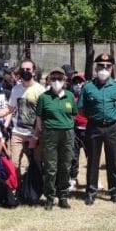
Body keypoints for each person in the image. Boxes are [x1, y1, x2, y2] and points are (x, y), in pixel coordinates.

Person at [80, 52, 116, 205]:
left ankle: (114, 192)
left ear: (112, 69)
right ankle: (91, 192)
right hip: (94, 127)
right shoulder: (88, 87)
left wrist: (113, 116)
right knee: (93, 161)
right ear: (96, 68)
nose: (104, 69)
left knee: (113, 161)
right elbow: (81, 108)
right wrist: (94, 117)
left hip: (113, 127)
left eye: (107, 66)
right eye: (101, 66)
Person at [36, 68, 77, 210]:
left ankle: (63, 197)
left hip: (67, 133)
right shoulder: (44, 97)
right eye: (53, 79)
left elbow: (73, 114)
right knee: (50, 167)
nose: (56, 82)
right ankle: (49, 197)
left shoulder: (70, 96)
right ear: (49, 81)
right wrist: (41, 133)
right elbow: (39, 118)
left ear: (65, 81)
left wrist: (67, 126)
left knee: (65, 165)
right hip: (50, 133)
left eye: (59, 79)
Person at [0, 59, 44, 171]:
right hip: (17, 133)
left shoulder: (41, 91)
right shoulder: (16, 89)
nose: (25, 71)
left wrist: (36, 135)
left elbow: (42, 116)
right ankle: (17, 187)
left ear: (34, 72)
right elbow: (9, 108)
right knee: (14, 165)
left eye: (28, 69)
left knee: (36, 163)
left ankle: (36, 187)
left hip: (33, 133)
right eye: (22, 69)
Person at [68, 73, 87, 191]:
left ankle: (93, 179)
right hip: (74, 130)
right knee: (73, 156)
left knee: (91, 156)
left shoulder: (88, 95)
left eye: (80, 82)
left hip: (88, 129)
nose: (78, 85)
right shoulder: (69, 97)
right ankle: (73, 179)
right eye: (75, 82)